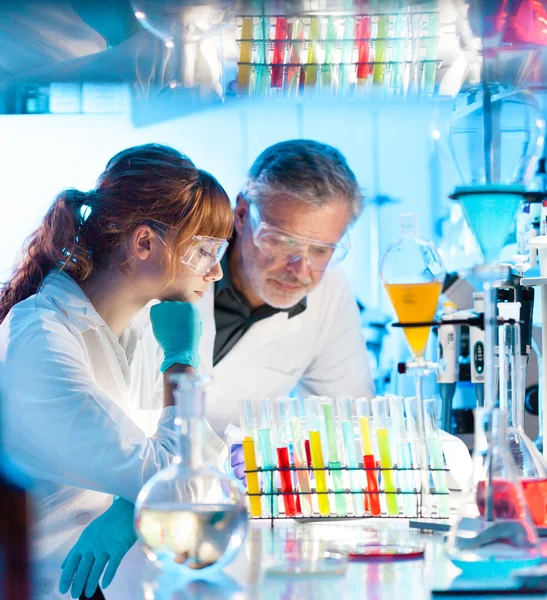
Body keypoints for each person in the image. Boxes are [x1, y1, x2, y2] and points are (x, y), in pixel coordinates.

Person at [0, 143, 235, 600]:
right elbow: (176, 482)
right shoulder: (41, 339)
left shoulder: (141, 330)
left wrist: (132, 505)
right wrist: (182, 364)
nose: (217, 272)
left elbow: (209, 466)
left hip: (118, 585)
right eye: (206, 251)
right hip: (50, 588)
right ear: (145, 242)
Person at [200, 139, 375, 433]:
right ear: (241, 215)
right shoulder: (178, 263)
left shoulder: (330, 291)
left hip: (238, 475)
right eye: (282, 241)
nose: (300, 270)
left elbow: (350, 423)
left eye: (321, 250)